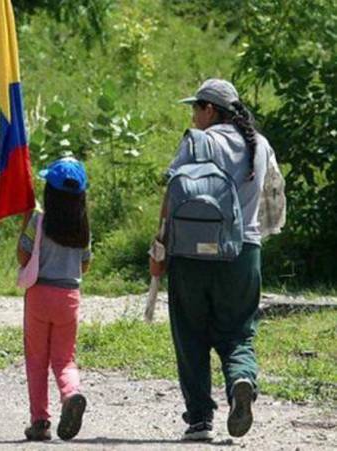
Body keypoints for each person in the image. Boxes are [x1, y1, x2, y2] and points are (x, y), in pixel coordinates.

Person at [150, 79, 274, 441]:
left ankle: (200, 419)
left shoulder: (197, 141)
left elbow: (171, 197)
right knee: (239, 330)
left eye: (196, 107)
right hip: (242, 252)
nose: (193, 114)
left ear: (210, 110)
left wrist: (158, 248)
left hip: (190, 254)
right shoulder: (260, 146)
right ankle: (241, 378)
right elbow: (271, 203)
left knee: (190, 333)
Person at [17, 157, 91, 442]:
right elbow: (85, 265)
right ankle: (71, 394)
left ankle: (40, 422)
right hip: (69, 297)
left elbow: (23, 256)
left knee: (37, 360)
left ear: (49, 191)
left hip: (39, 295)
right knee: (64, 359)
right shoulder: (83, 226)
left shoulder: (38, 220)